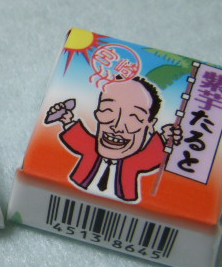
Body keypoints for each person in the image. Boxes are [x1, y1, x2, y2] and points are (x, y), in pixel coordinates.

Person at [48, 77, 181, 202]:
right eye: (108, 111)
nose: (117, 127)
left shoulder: (133, 163)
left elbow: (151, 158)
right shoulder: (91, 148)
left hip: (126, 203)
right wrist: (67, 120)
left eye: (134, 117)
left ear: (150, 125)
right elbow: (79, 139)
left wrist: (165, 138)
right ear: (97, 112)